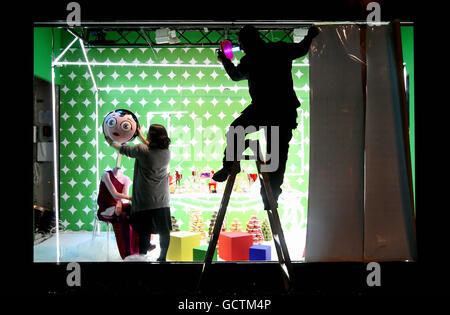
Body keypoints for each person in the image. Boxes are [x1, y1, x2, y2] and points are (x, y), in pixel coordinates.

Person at [212, 25, 319, 210]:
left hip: (264, 109)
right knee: (276, 159)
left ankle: (229, 166)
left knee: (236, 131)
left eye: (241, 44)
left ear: (246, 42)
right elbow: (302, 49)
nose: (241, 47)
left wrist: (225, 61)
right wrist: (310, 35)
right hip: (281, 111)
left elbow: (236, 76)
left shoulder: (250, 59)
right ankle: (270, 198)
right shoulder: (279, 49)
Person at [106, 124, 172, 262]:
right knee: (164, 230)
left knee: (144, 231)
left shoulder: (142, 150)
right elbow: (151, 147)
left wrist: (110, 141)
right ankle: (163, 257)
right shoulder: (166, 151)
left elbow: (124, 149)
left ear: (151, 136)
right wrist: (141, 135)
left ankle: (142, 257)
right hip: (163, 200)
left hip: (145, 199)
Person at [97, 166, 147, 260]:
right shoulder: (106, 175)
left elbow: (122, 198)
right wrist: (130, 198)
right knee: (128, 211)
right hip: (106, 208)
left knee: (129, 214)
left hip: (118, 208)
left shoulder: (126, 179)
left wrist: (120, 203)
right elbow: (114, 193)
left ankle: (139, 247)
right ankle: (129, 252)